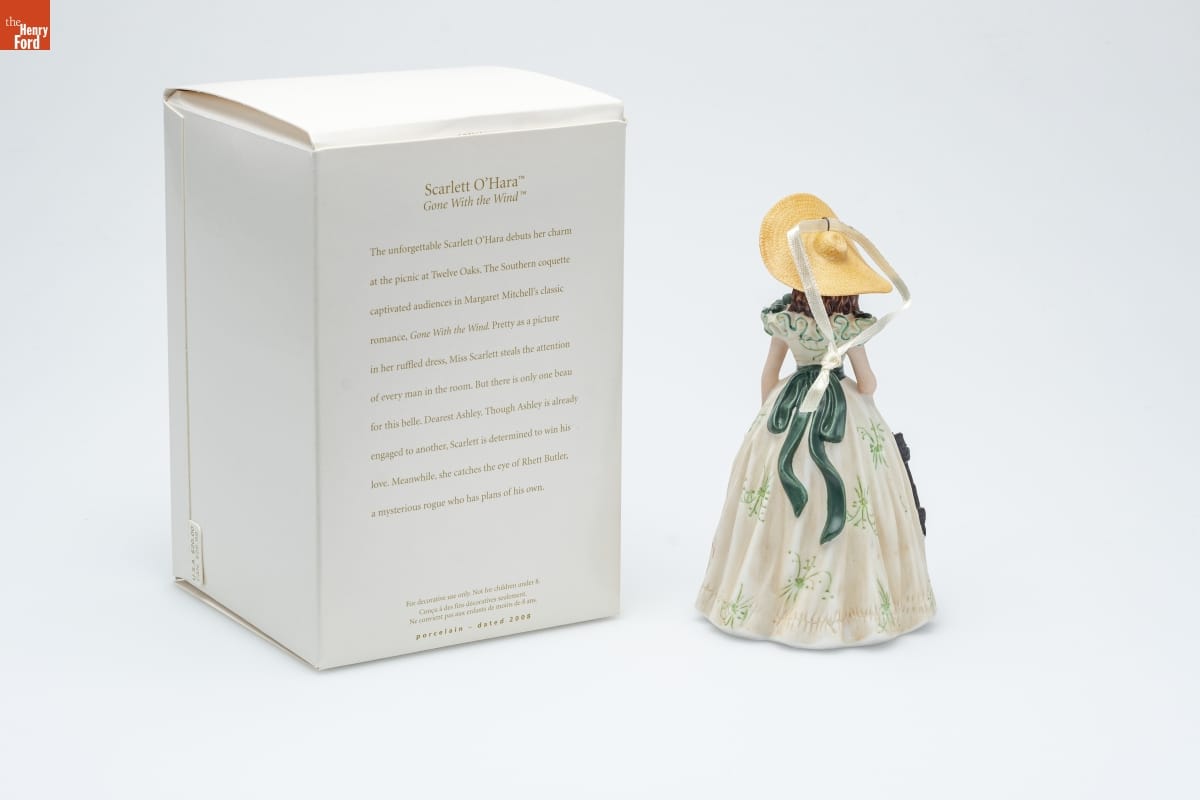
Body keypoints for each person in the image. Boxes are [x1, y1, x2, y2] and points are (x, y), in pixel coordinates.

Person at [695, 194, 935, 648]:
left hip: (788, 407)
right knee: (862, 493)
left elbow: (768, 376)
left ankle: (763, 596)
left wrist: (771, 422)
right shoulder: (849, 327)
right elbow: (868, 384)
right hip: (842, 411)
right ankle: (854, 603)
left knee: (771, 502)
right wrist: (851, 385)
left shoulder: (786, 321)